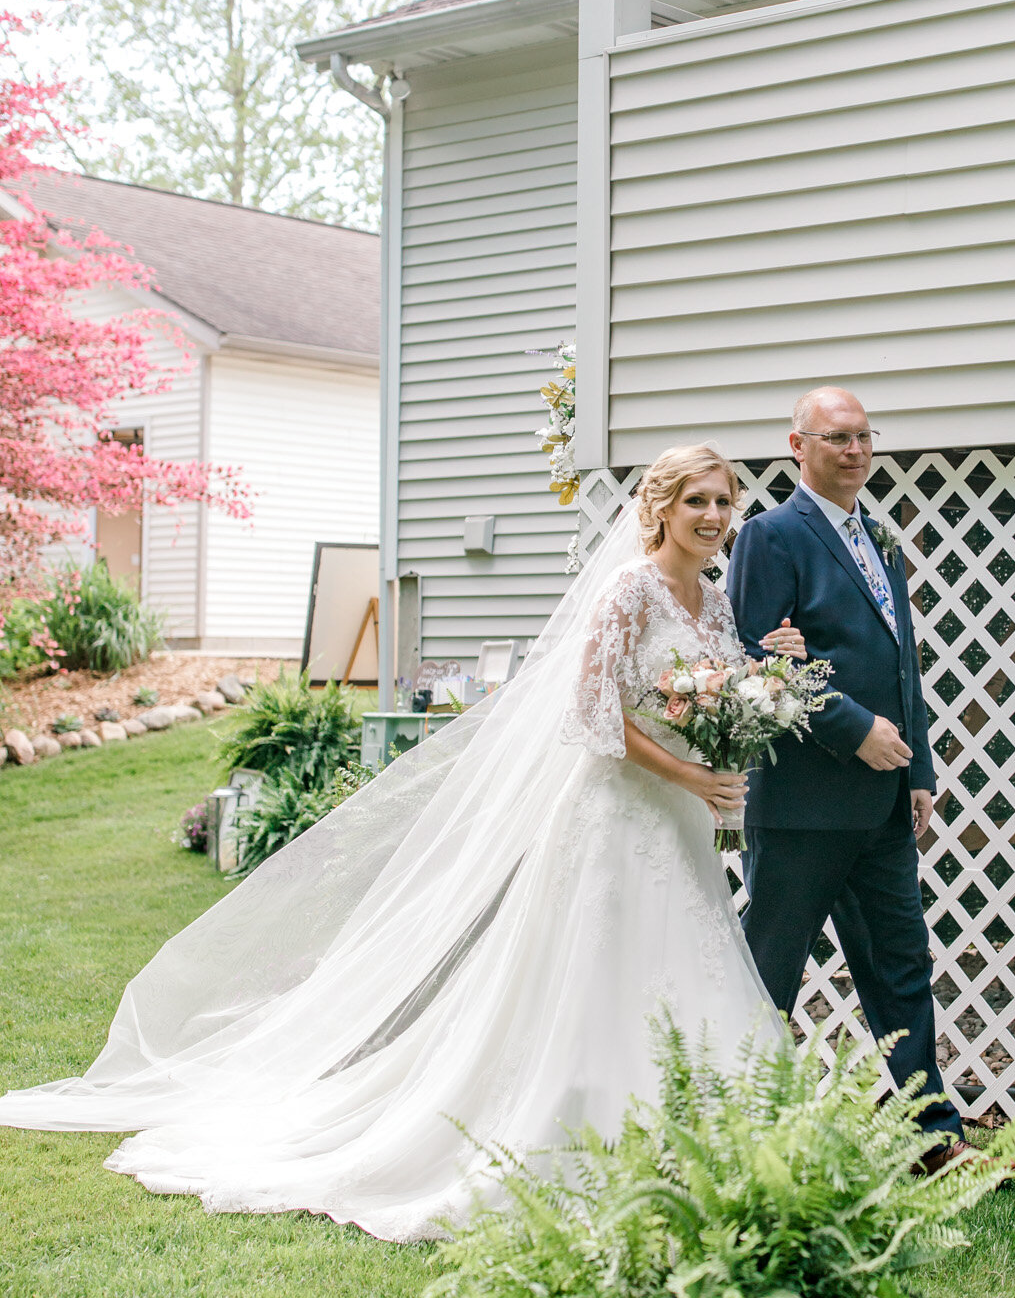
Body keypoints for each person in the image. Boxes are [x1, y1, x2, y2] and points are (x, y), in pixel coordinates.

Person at [0, 446, 805, 1242]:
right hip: (618, 815)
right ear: (659, 506)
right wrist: (688, 777)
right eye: (695, 500)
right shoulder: (630, 591)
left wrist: (769, 671)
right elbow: (593, 715)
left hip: (678, 821)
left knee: (676, 961)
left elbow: (718, 690)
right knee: (600, 970)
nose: (711, 517)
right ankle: (575, 1131)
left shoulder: (713, 598)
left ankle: (689, 1142)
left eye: (722, 502)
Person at [727, 386, 966, 1160]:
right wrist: (853, 730)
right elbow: (758, 659)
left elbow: (904, 669)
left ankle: (932, 1137)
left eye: (863, 437)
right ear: (797, 446)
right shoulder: (770, 537)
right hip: (801, 805)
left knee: (901, 968)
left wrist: (917, 769)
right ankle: (742, 1137)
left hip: (884, 806)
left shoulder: (882, 538)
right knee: (771, 974)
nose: (855, 451)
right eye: (836, 439)